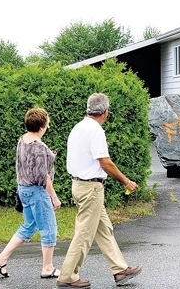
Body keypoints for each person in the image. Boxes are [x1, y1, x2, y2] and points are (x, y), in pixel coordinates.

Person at [57, 93, 141, 288]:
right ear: (105, 112)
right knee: (84, 234)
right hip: (91, 188)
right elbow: (105, 163)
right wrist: (126, 181)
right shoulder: (95, 130)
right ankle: (67, 276)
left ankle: (120, 269)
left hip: (79, 185)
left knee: (104, 229)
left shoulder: (78, 127)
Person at [0, 107, 62, 279]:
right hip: (37, 192)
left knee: (29, 226)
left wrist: (48, 157)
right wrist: (54, 197)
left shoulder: (22, 140)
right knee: (49, 228)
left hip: (24, 189)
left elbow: (25, 165)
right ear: (42, 126)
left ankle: (1, 258)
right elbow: (42, 176)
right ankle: (47, 268)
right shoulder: (39, 147)